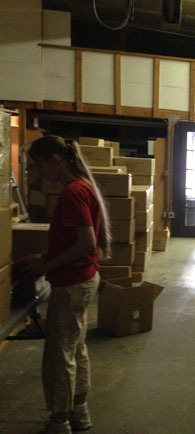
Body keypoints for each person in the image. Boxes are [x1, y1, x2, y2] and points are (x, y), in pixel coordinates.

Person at [24, 135, 111, 434]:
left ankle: (60, 423)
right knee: (75, 349)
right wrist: (47, 254)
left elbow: (85, 242)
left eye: (37, 166)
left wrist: (47, 266)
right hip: (84, 279)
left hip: (72, 283)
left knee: (59, 356)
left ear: (55, 161)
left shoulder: (72, 193)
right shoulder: (82, 188)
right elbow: (74, 240)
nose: (36, 173)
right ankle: (79, 412)